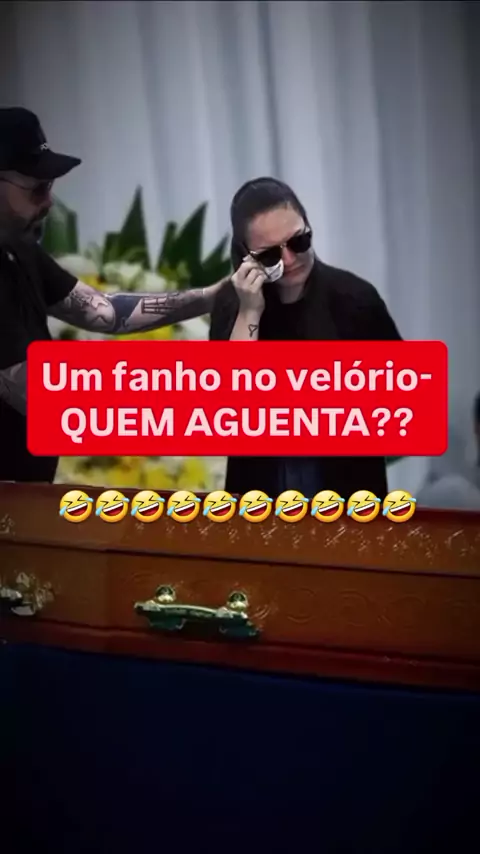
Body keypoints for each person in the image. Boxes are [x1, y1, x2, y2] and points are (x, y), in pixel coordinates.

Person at [0, 107, 228, 483]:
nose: (49, 202)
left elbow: (103, 312)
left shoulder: (18, 248)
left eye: (50, 186)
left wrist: (212, 297)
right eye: (37, 188)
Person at [209, 177, 402, 499]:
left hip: (348, 491)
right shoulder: (233, 303)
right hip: (260, 491)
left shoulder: (355, 298)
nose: (289, 260)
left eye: (298, 242)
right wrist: (250, 311)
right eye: (269, 254)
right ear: (246, 256)